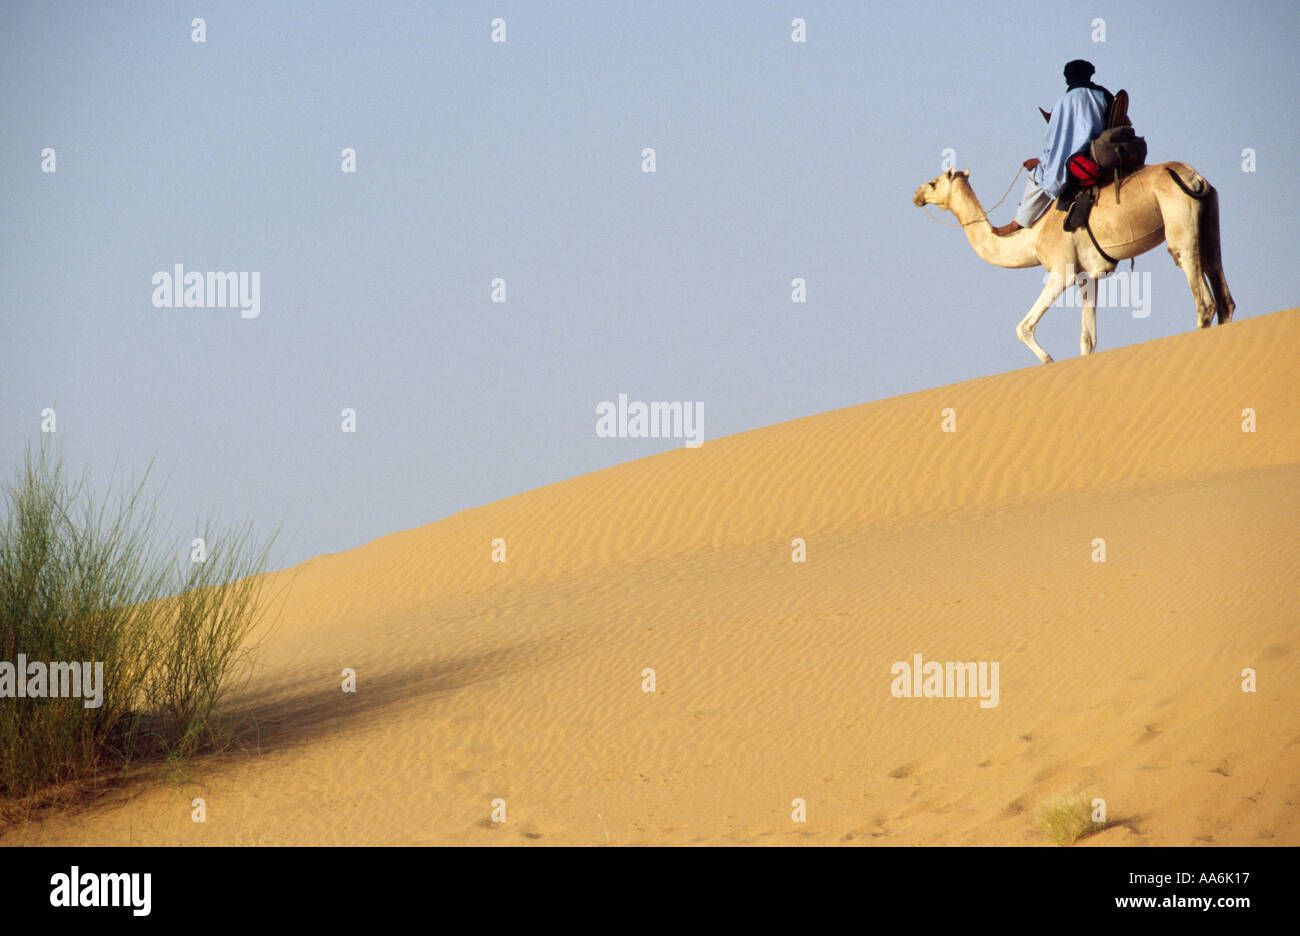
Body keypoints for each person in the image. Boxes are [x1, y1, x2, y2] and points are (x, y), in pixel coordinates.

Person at [992, 60, 1113, 236]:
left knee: (1039, 174)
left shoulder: (1064, 103)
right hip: (1106, 150)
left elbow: (1058, 146)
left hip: (1083, 159)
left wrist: (1039, 160)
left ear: (1068, 78)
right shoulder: (1105, 95)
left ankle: (1019, 222)